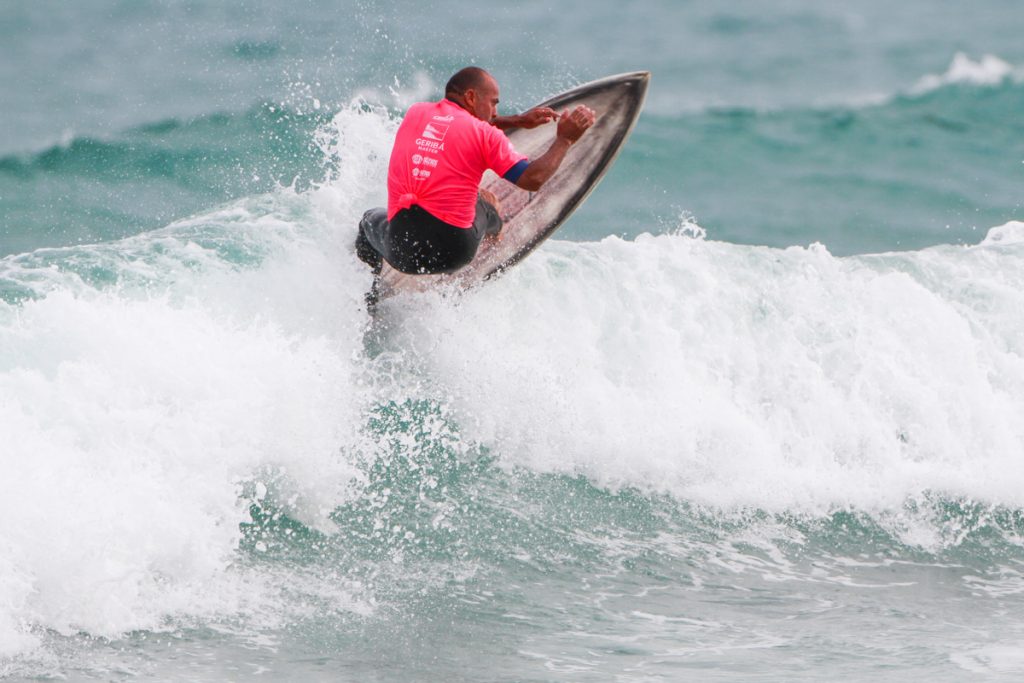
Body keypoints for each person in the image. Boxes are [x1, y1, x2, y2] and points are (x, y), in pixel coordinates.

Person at [356, 66, 596, 279]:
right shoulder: (486, 135)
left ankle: (367, 303)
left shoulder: (416, 113)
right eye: (493, 103)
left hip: (402, 251)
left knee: (368, 221)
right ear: (471, 96)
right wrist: (565, 139)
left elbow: (456, 124)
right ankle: (497, 229)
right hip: (454, 252)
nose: (494, 112)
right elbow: (532, 179)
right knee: (482, 201)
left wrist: (517, 121)